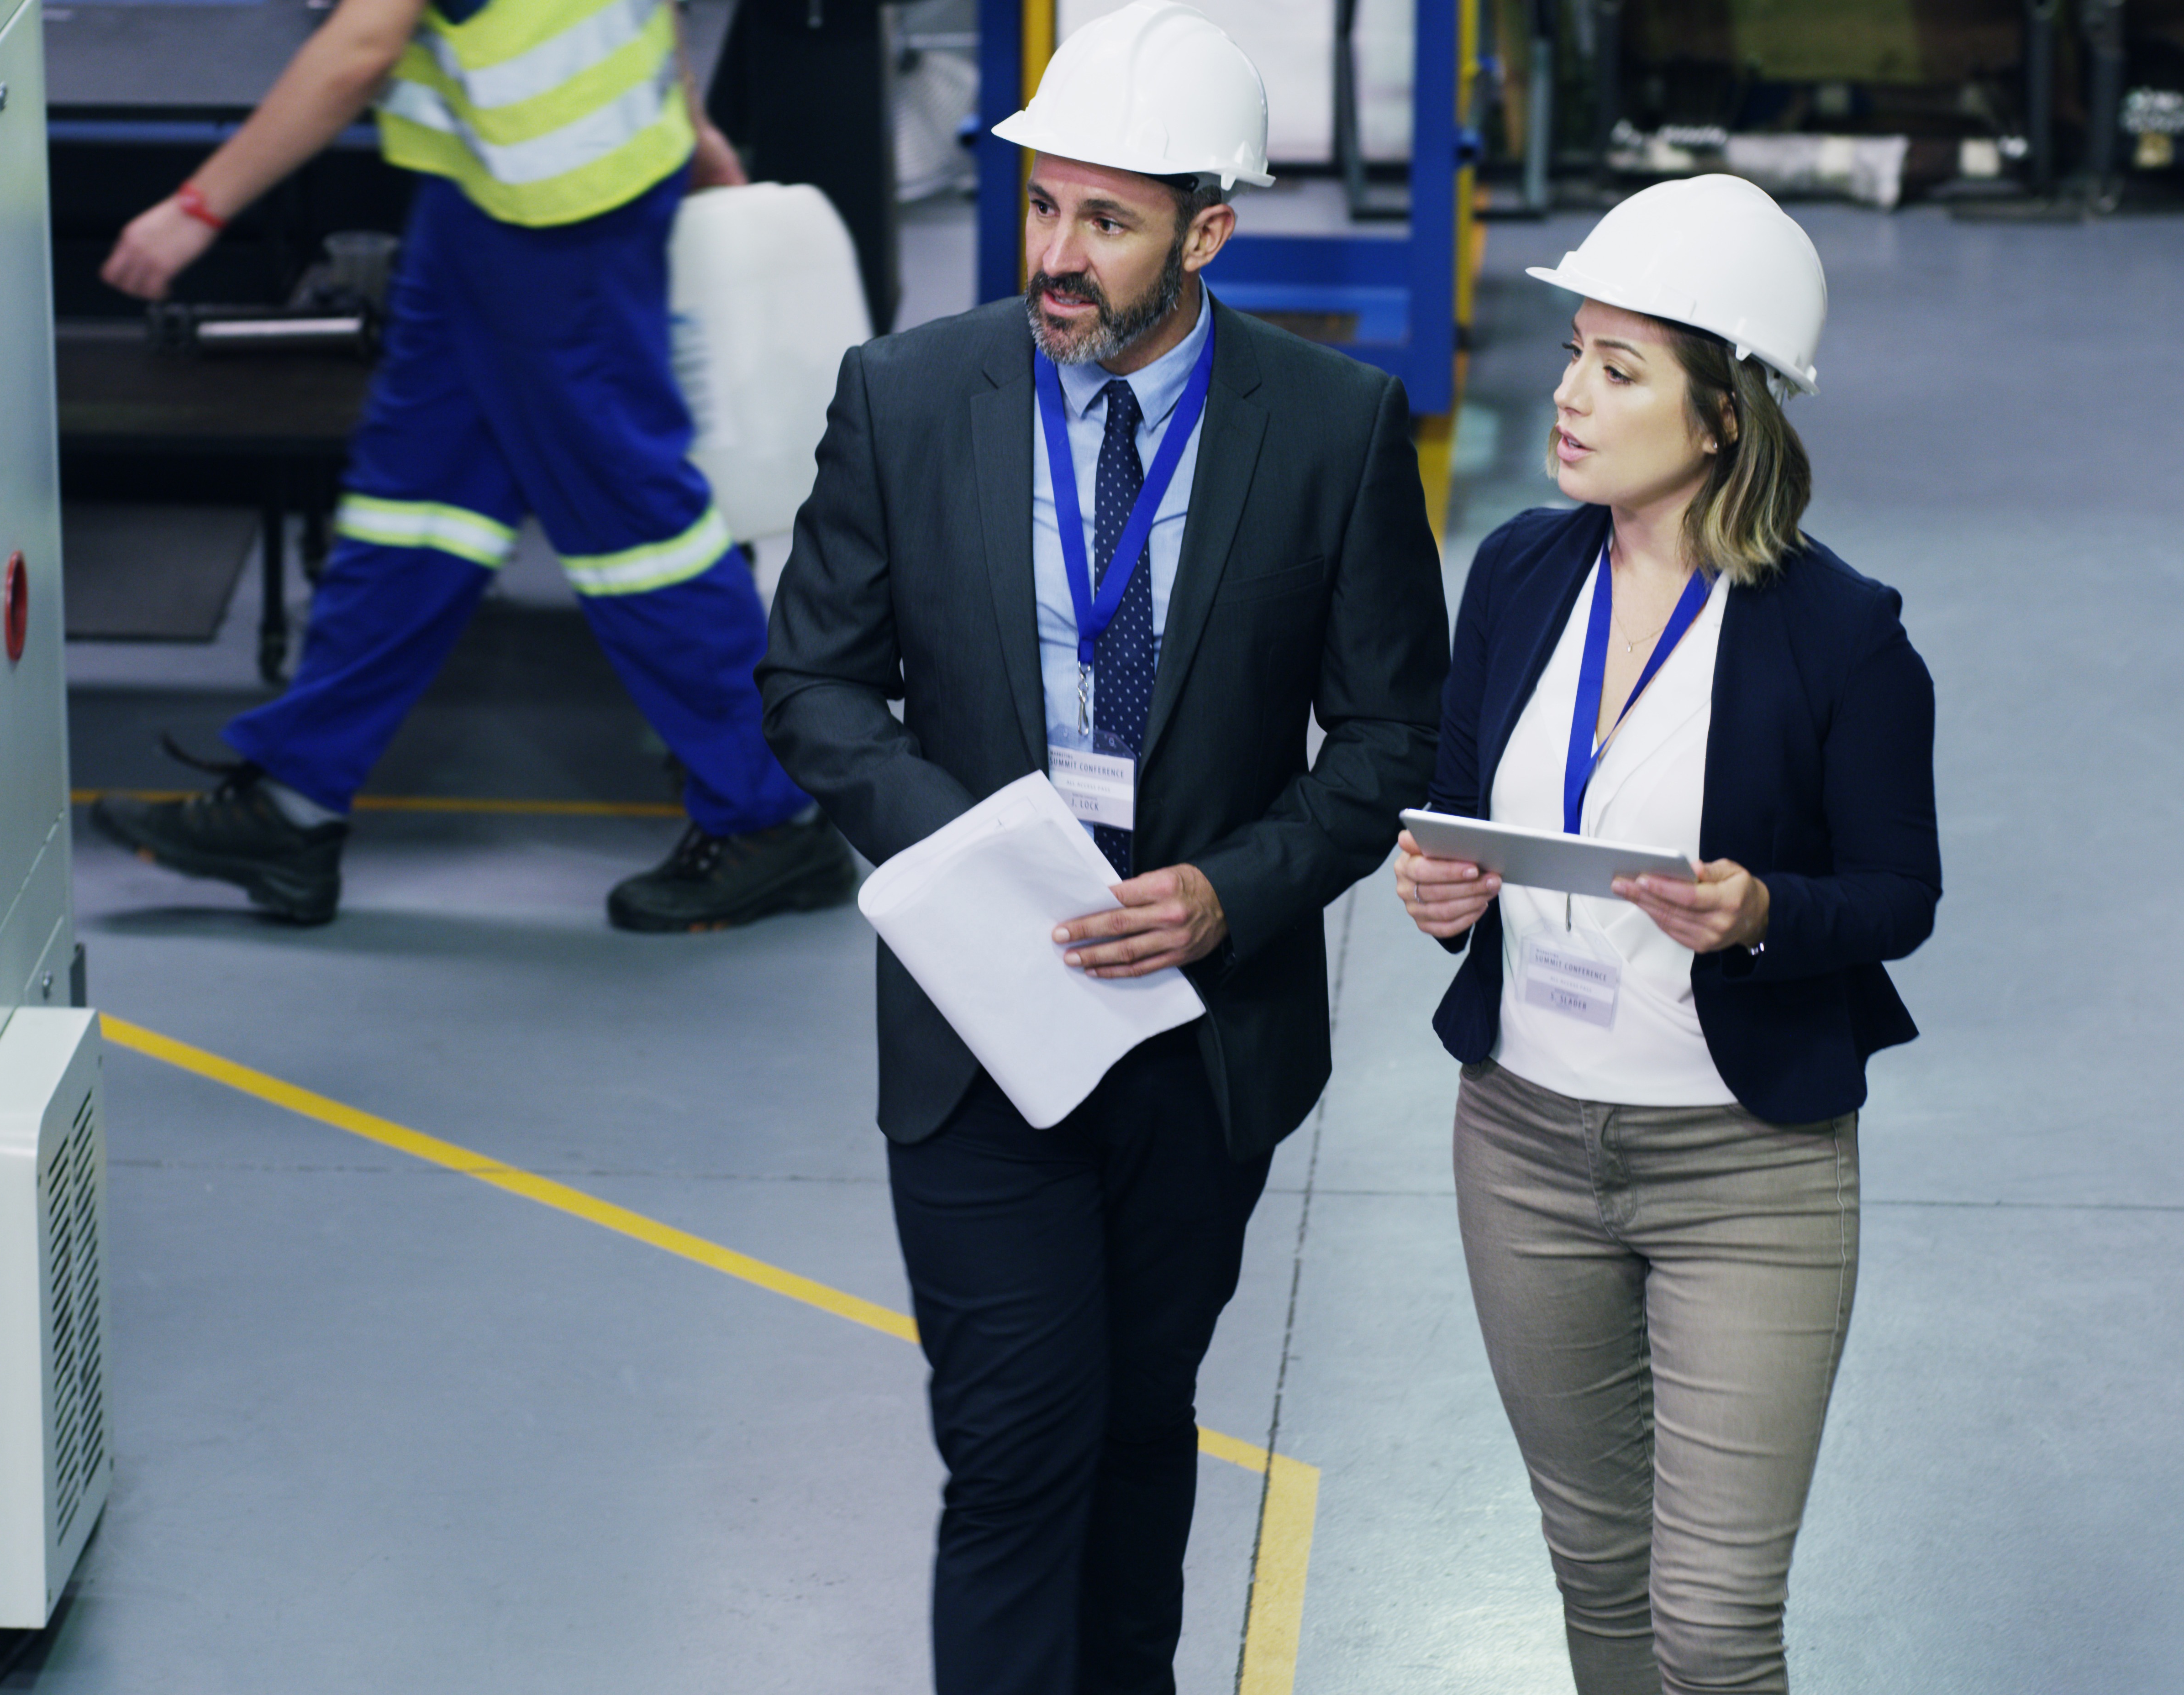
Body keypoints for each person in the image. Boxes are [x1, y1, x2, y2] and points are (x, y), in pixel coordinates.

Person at [755, 5, 1444, 1688]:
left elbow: (1387, 740)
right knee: (1013, 1453)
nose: (1056, 257)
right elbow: (813, 686)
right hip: (982, 1026)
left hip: (1200, 1038)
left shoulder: (1334, 427)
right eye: (1043, 208)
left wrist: (1229, 894)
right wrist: (988, 854)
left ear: (1206, 233)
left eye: (1107, 221)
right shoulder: (909, 396)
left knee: (1143, 1433)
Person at [1389, 176, 1939, 1695]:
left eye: (1616, 370)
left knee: (1711, 1624)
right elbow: (1454, 802)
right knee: (1598, 1571)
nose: (1564, 395)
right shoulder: (1515, 570)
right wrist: (1443, 892)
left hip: (1742, 1164)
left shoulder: (1845, 633)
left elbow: (1901, 895)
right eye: (1573, 352)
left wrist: (1762, 916)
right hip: (1521, 1137)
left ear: (1722, 419)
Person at [89, 0, 856, 930]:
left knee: (633, 523)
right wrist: (689, 124)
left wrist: (197, 207)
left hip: (554, 208)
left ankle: (772, 816)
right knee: (413, 504)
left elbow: (360, 46)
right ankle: (293, 800)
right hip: (503, 184)